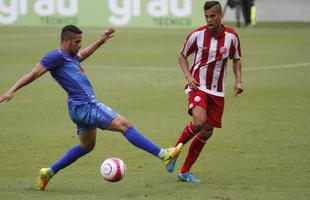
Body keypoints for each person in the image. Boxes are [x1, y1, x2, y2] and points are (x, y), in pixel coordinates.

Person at [0, 25, 183, 190]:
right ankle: (163, 154)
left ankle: (48, 172)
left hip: (76, 109)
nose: (80, 45)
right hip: (86, 105)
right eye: (77, 41)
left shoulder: (70, 57)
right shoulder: (55, 56)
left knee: (87, 146)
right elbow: (33, 74)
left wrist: (100, 42)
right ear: (66, 40)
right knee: (125, 125)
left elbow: (81, 55)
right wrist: (12, 90)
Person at [166, 1, 243, 183]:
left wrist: (239, 80)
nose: (209, 20)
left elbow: (236, 59)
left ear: (220, 16)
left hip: (217, 91)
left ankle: (184, 172)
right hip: (198, 86)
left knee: (207, 131)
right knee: (199, 122)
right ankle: (174, 151)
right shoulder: (197, 35)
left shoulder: (232, 37)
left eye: (212, 16)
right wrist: (188, 76)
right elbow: (182, 55)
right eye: (206, 16)